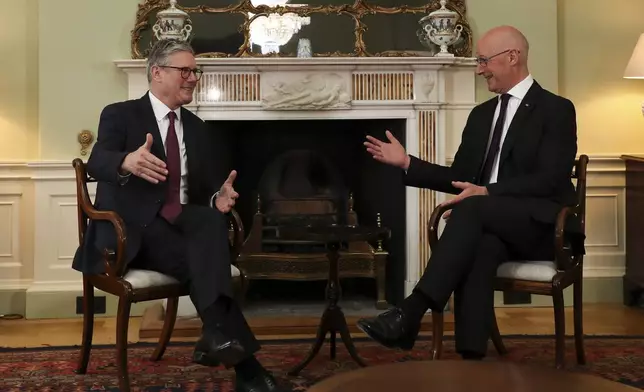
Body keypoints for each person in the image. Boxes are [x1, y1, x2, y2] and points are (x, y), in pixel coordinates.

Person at [72, 39, 290, 392]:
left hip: (179, 228)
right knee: (208, 251)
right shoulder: (121, 114)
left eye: (195, 71)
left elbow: (202, 190)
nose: (192, 78)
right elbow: (97, 160)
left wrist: (218, 197)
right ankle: (245, 366)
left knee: (206, 225)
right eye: (184, 71)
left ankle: (223, 344)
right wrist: (126, 161)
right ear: (157, 73)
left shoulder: (198, 128)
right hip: (130, 232)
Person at [358, 25, 582, 360]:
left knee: (473, 208)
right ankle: (471, 356)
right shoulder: (480, 116)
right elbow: (461, 180)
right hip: (492, 226)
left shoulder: (556, 109)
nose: (479, 69)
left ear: (512, 57)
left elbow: (550, 179)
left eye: (483, 61)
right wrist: (407, 162)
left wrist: (487, 193)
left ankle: (411, 311)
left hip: (543, 226)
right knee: (481, 243)